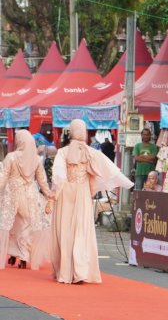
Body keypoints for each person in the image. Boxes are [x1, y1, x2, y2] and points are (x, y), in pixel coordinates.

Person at [49, 119, 134, 284]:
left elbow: (58, 176)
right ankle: (80, 270)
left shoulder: (63, 152)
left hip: (66, 194)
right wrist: (127, 184)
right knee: (81, 230)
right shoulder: (91, 152)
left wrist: (53, 195)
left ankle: (66, 271)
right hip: (82, 194)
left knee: (66, 231)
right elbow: (109, 170)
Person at [0, 130, 55, 270]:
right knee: (26, 225)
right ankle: (24, 256)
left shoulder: (11, 157)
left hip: (12, 195)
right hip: (30, 196)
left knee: (11, 226)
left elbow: (3, 177)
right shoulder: (35, 159)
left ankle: (13, 254)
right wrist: (49, 194)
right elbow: (42, 180)